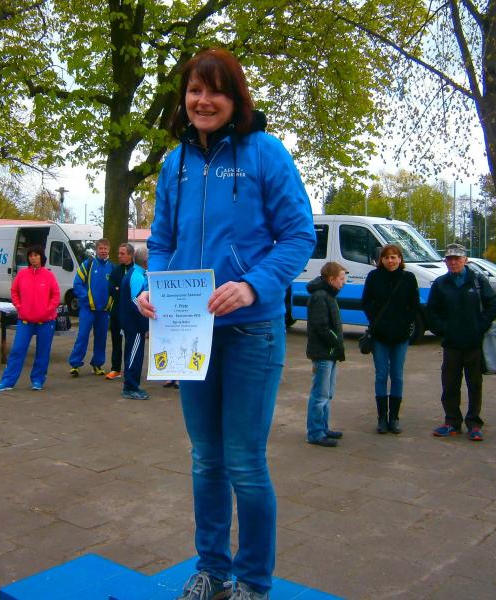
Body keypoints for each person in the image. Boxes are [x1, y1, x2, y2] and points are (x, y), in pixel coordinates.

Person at [138, 48, 315, 600]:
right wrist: (153, 286)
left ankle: (253, 582)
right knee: (205, 459)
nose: (203, 100)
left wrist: (252, 284)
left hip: (250, 331)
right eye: (195, 90)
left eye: (216, 91)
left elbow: (299, 236)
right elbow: (161, 241)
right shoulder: (175, 163)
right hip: (189, 331)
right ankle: (212, 569)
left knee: (244, 461)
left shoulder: (265, 152)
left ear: (236, 98)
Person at [426, 243, 496, 441]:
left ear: (465, 260)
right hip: (451, 344)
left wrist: (480, 326)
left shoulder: (478, 281)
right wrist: (443, 329)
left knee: (474, 385)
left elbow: (492, 305)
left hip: (474, 343)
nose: (453, 262)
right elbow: (431, 311)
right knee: (450, 384)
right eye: (449, 259)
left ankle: (474, 424)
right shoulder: (440, 283)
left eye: (457, 258)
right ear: (445, 261)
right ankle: (452, 422)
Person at [361, 244, 420, 434]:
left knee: (397, 375)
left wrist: (406, 322)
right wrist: (375, 321)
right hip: (380, 336)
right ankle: (381, 418)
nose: (390, 261)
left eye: (394, 257)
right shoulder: (374, 276)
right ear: (382, 260)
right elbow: (366, 302)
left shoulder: (408, 278)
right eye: (386, 257)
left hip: (400, 336)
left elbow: (414, 305)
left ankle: (394, 417)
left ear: (400, 259)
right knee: (381, 375)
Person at [0, 245, 60, 392]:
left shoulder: (49, 276)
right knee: (17, 350)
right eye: (31, 255)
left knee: (42, 352)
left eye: (36, 255)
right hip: (25, 321)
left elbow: (56, 295)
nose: (33, 258)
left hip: (46, 321)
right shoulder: (22, 274)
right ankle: (7, 381)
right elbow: (14, 291)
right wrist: (19, 307)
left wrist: (48, 310)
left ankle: (38, 380)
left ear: (41, 257)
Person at [305, 262, 346, 448]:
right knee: (320, 394)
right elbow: (321, 326)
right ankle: (315, 433)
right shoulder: (320, 297)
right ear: (331, 279)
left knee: (327, 394)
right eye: (341, 278)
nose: (344, 282)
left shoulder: (328, 295)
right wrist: (335, 340)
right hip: (323, 353)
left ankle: (323, 427)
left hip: (329, 353)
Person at [68, 238, 113, 377]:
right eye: (101, 248)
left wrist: (111, 303)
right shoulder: (88, 264)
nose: (103, 251)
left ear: (109, 250)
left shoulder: (112, 267)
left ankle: (97, 364)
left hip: (104, 311)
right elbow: (77, 284)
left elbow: (115, 288)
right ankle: (75, 364)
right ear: (96, 249)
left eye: (105, 248)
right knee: (82, 336)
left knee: (101, 338)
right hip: (87, 309)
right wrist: (87, 299)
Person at [120, 247, 150, 400]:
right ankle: (130, 387)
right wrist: (145, 325)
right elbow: (136, 301)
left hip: (131, 322)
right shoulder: (137, 276)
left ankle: (131, 385)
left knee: (132, 353)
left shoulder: (135, 273)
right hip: (134, 324)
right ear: (146, 261)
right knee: (134, 355)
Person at [106, 243, 135, 381]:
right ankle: (115, 369)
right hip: (116, 313)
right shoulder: (116, 271)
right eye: (118, 253)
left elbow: (135, 292)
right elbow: (111, 289)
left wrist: (120, 290)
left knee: (130, 343)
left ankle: (130, 369)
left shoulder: (136, 271)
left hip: (131, 314)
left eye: (122, 253)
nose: (119, 256)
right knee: (116, 342)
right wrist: (119, 290)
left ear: (130, 255)